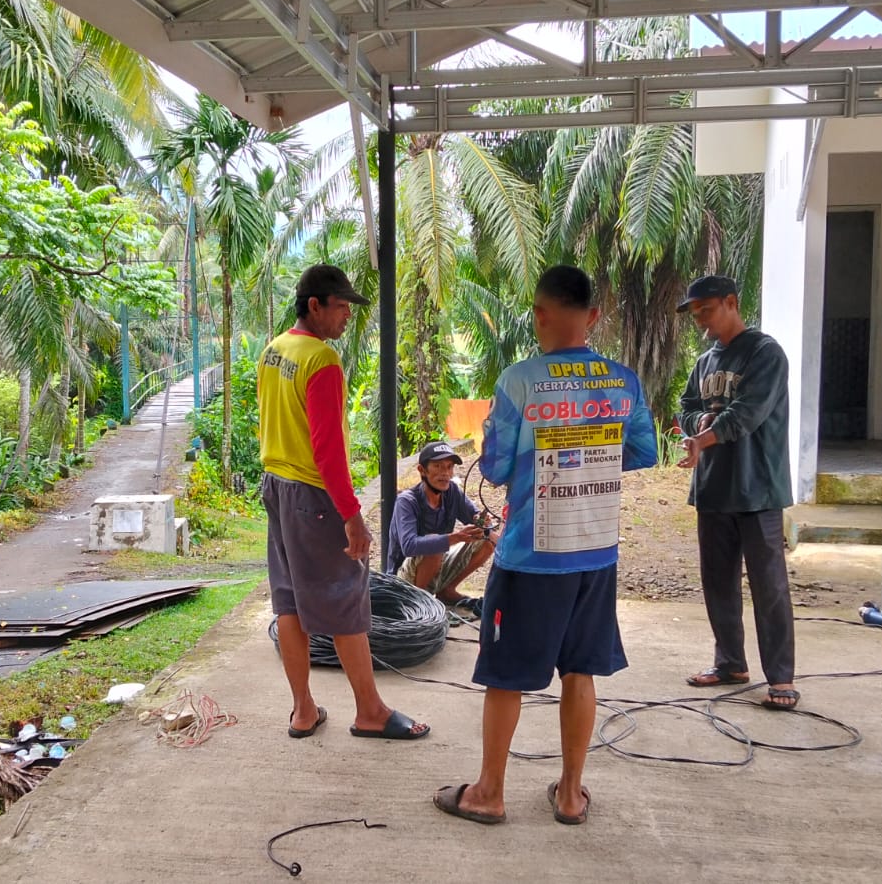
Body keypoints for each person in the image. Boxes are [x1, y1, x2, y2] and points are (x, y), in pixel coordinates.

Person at [434, 265, 656, 826]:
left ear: (539, 314)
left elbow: (496, 466)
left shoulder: (520, 381)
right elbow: (643, 451)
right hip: (595, 550)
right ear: (593, 316)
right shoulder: (623, 381)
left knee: (505, 673)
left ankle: (488, 793)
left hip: (531, 555)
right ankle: (571, 794)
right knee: (580, 670)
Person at [258, 264, 430, 741]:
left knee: (290, 603)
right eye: (340, 307)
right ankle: (370, 711)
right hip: (313, 496)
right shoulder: (322, 360)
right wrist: (352, 516)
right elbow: (327, 450)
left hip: (276, 487)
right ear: (314, 305)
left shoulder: (274, 351)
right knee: (346, 598)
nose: (347, 317)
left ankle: (303, 710)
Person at [675, 274, 799, 711]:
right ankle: (730, 663)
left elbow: (748, 413)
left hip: (758, 489)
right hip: (713, 489)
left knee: (769, 587)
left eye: (706, 311)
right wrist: (696, 425)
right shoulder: (704, 363)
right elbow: (687, 406)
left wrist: (703, 438)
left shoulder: (765, 353)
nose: (701, 321)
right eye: (695, 315)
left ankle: (780, 677)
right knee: (718, 583)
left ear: (731, 302)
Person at [385, 441, 495, 615]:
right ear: (422, 470)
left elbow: (474, 516)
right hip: (403, 580)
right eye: (437, 466)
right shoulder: (407, 501)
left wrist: (482, 522)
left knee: (488, 539)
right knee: (435, 546)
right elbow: (409, 546)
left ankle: (447, 591)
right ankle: (418, 605)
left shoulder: (452, 491)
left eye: (449, 467)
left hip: (437, 562)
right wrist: (455, 537)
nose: (445, 473)